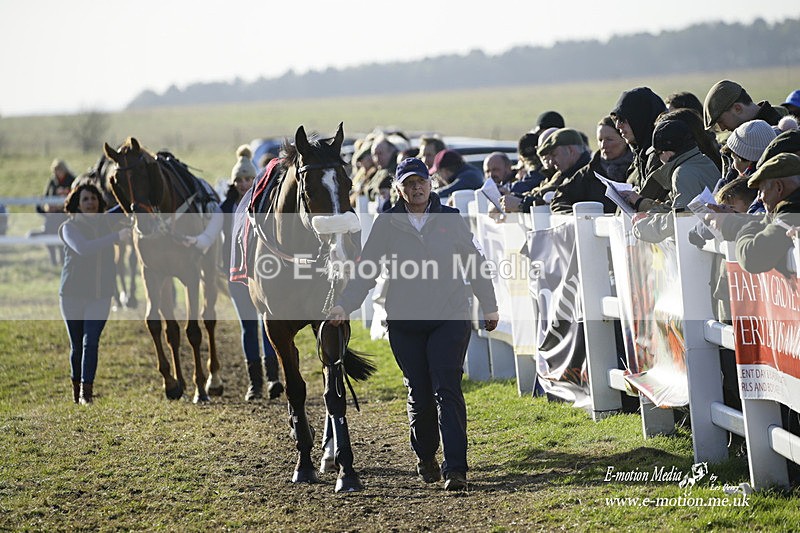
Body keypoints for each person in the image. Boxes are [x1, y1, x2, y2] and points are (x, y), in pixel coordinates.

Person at [326, 157, 499, 492]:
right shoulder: (387, 223)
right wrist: (344, 305)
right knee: (419, 393)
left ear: (430, 183)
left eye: (421, 181)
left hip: (450, 316)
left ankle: (456, 469)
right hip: (406, 320)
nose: (416, 188)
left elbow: (475, 263)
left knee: (447, 388)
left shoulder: (451, 219)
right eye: (408, 183)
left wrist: (489, 305)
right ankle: (425, 455)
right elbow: (367, 271)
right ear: (399, 189)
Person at [221, 145, 284, 401]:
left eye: (249, 178)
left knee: (265, 322)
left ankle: (273, 378)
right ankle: (254, 383)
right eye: (240, 179)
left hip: (261, 274)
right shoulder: (225, 208)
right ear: (234, 181)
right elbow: (213, 238)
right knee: (248, 326)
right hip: (237, 276)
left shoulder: (263, 204)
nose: (245, 183)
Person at [59, 182, 131, 404]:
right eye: (85, 199)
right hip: (72, 295)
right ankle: (76, 389)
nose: (90, 203)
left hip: (100, 295)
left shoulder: (106, 221)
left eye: (93, 198)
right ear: (77, 205)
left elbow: (128, 205)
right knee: (77, 345)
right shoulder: (68, 227)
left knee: (91, 342)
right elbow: (84, 248)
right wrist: (116, 237)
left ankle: (85, 394)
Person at [549, 116, 633, 214]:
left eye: (609, 139)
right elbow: (559, 200)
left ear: (624, 139)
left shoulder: (637, 169)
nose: (603, 145)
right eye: (600, 140)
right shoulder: (589, 173)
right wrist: (577, 218)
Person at [502, 128, 591, 213]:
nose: (551, 161)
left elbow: (559, 204)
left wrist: (522, 204)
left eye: (554, 154)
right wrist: (514, 198)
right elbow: (539, 194)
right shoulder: (561, 174)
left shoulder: (586, 174)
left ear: (570, 150)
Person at [609, 86, 668, 201]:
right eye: (616, 120)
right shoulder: (639, 156)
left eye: (622, 120)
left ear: (640, 119)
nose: (617, 126)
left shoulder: (663, 156)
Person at [33, 159, 76, 265]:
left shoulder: (72, 180)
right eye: (55, 171)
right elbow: (46, 197)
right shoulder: (52, 182)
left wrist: (62, 206)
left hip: (66, 216)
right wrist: (47, 206)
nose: (57, 173)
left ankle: (63, 260)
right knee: (49, 235)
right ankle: (53, 260)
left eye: (59, 170)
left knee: (63, 239)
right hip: (52, 216)